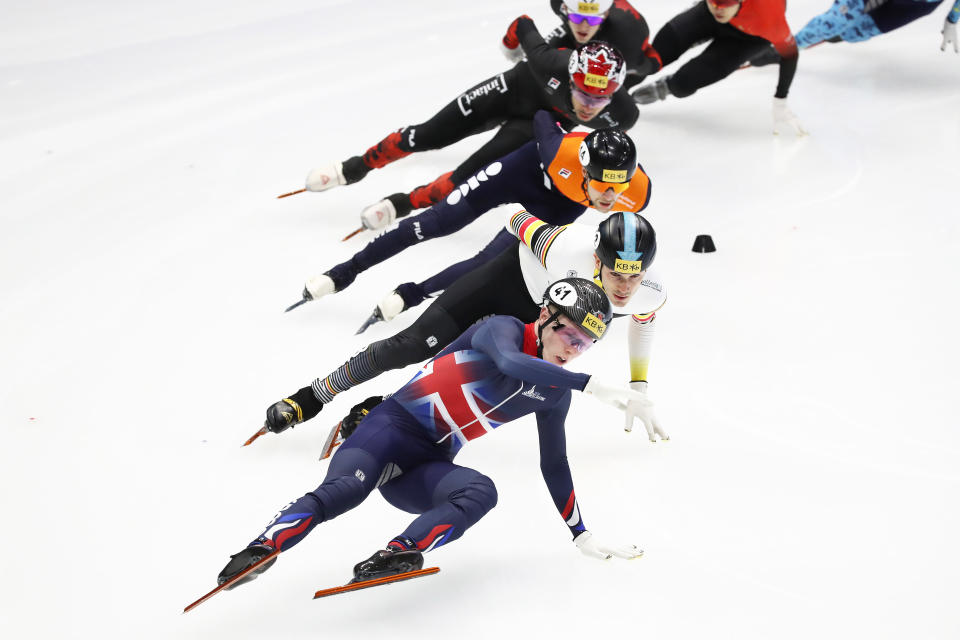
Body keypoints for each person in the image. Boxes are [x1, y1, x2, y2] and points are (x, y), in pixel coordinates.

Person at [217, 278, 647, 590]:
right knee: (344, 491)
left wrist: (581, 532)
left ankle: (395, 554)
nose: (573, 349)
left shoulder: (555, 392)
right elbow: (511, 364)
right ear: (543, 315)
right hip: (388, 430)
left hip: (428, 465)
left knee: (482, 492)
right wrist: (590, 383)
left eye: (586, 343)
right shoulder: (501, 329)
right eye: (569, 333)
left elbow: (554, 463)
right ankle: (261, 548)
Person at [260, 210, 668, 446]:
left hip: (539, 317)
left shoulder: (648, 292)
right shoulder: (563, 246)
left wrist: (640, 386)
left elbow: (643, 325)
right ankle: (311, 396)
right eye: (616, 275)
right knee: (409, 346)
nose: (624, 289)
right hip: (508, 280)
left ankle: (380, 407)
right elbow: (513, 213)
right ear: (597, 261)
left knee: (458, 374)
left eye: (635, 278)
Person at [296, 109, 651, 317]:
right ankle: (344, 272)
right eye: (602, 183)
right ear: (584, 170)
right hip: (519, 172)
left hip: (553, 206)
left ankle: (412, 294)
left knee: (486, 263)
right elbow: (544, 115)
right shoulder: (558, 152)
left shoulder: (637, 193)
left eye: (618, 186)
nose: (608, 195)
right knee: (432, 224)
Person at [303, 35, 636, 231]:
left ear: (614, 94)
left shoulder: (622, 115)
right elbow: (521, 24)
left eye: (599, 98)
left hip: (537, 123)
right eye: (580, 94)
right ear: (569, 78)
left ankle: (403, 204)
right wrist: (510, 46)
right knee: (427, 134)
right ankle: (354, 167)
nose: (589, 106)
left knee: (468, 176)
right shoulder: (550, 61)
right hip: (512, 90)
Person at [629, 0, 806, 136]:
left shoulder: (769, 16)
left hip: (747, 39)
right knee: (653, 58)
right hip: (705, 16)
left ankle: (665, 88)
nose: (718, 9)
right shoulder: (715, 7)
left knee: (683, 84)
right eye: (714, 2)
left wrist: (780, 101)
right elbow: (717, 6)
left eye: (724, 4)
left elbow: (790, 55)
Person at [501, 1, 662, 89]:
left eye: (592, 19)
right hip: (577, 34)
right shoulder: (559, 3)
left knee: (594, 93)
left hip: (623, 51)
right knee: (537, 65)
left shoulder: (627, 34)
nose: (584, 26)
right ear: (565, 9)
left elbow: (653, 64)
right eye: (577, 17)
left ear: (605, 15)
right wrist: (511, 44)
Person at [751, 0, 960, 52]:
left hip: (913, 6)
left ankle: (831, 37)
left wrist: (952, 20)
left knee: (851, 34)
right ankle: (784, 48)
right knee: (834, 23)